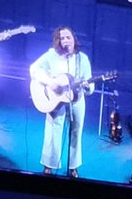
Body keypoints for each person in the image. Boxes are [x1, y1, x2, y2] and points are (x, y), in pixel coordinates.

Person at [29, 26, 92, 177]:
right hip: (55, 98)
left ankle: (73, 166)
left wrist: (88, 87)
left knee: (76, 131)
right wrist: (49, 82)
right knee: (53, 130)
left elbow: (90, 82)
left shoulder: (82, 58)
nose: (65, 40)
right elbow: (34, 69)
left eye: (68, 37)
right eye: (62, 38)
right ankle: (49, 165)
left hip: (77, 99)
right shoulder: (51, 55)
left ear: (74, 39)